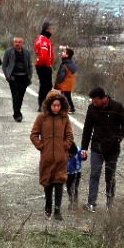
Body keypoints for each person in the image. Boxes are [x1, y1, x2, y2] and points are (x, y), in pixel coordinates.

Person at [80, 87, 124, 212]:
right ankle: (91, 203)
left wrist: (118, 138)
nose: (93, 103)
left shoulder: (117, 107)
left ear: (103, 98)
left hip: (112, 149)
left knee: (110, 177)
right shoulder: (91, 108)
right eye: (92, 100)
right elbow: (87, 128)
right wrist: (84, 148)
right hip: (97, 147)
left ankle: (109, 204)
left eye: (95, 100)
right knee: (94, 174)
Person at [31, 91, 76, 220]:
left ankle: (57, 210)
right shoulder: (41, 117)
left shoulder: (64, 118)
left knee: (59, 181)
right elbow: (34, 135)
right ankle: (48, 206)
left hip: (61, 157)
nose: (56, 108)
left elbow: (69, 135)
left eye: (58, 105)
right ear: (49, 104)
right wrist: (41, 146)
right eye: (54, 105)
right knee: (47, 181)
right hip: (46, 157)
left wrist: (65, 146)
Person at [3, 36, 34, 122]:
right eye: (16, 42)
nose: (17, 44)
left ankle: (17, 111)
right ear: (13, 43)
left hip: (24, 77)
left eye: (19, 42)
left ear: (22, 43)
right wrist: (7, 75)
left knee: (20, 96)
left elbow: (30, 65)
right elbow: (4, 65)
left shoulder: (26, 52)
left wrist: (30, 76)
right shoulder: (9, 52)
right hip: (13, 77)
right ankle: (17, 114)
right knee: (15, 96)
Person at [34, 23, 55, 107]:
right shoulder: (44, 40)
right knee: (46, 86)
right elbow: (43, 54)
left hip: (41, 64)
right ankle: (43, 104)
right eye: (51, 29)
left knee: (44, 85)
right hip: (43, 65)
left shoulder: (40, 38)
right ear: (47, 29)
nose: (51, 31)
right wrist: (48, 64)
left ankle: (43, 104)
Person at [66, 141, 84, 207]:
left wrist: (84, 156)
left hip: (77, 172)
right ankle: (71, 200)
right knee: (68, 187)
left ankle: (75, 202)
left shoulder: (78, 151)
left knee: (75, 187)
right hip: (68, 173)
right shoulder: (64, 151)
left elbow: (82, 159)